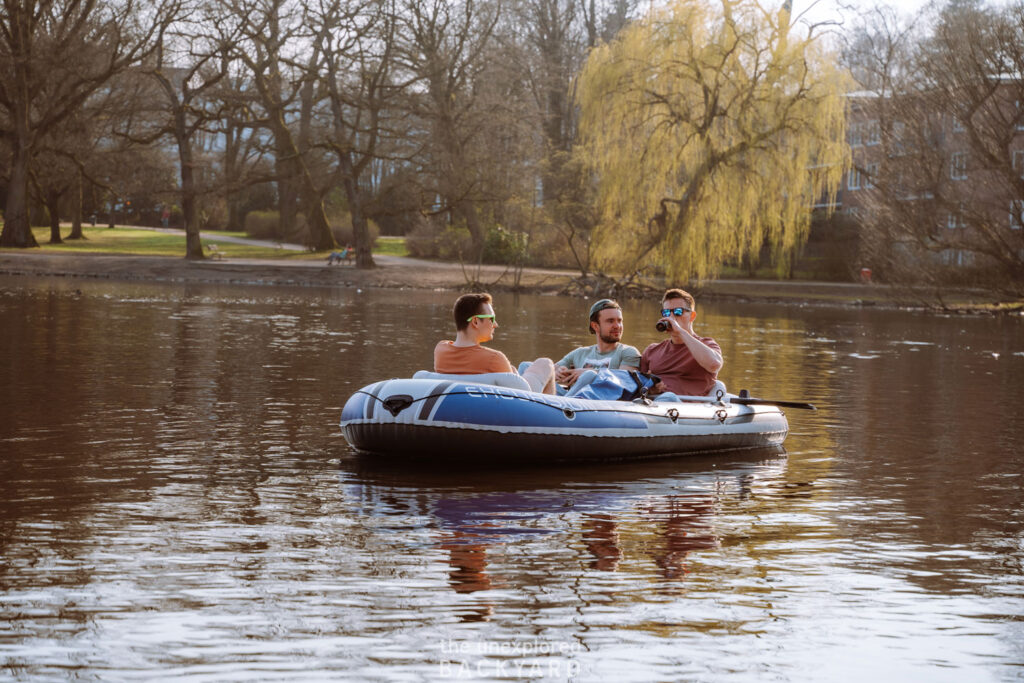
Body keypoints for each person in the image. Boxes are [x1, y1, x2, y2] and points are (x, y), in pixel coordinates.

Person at [434, 292, 557, 394]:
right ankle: (555, 415)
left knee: (522, 367)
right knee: (545, 363)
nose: (495, 325)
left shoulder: (440, 349)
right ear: (475, 322)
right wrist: (512, 372)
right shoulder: (494, 358)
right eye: (491, 319)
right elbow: (519, 389)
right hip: (523, 402)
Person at [640, 288, 723, 397]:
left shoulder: (707, 344)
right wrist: (650, 388)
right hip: (652, 406)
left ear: (692, 316)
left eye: (678, 312)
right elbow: (637, 384)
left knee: (668, 397)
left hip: (685, 407)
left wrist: (680, 331)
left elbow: (714, 365)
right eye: (666, 312)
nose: (671, 317)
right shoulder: (652, 350)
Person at [554, 299, 641, 391]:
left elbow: (625, 382)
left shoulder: (628, 352)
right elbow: (552, 370)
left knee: (589, 375)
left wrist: (591, 373)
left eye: (619, 321)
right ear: (595, 326)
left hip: (600, 402)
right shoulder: (580, 353)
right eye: (610, 321)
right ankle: (539, 401)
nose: (617, 326)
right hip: (567, 400)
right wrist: (557, 372)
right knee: (544, 364)